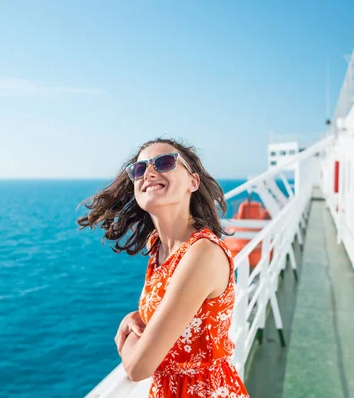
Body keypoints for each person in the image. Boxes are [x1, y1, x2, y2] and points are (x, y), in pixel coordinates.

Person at [77, 138, 250, 397]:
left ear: (193, 182)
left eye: (165, 163)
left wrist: (127, 336)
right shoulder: (158, 245)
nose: (148, 171)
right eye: (139, 169)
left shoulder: (201, 253)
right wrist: (140, 318)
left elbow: (138, 368)